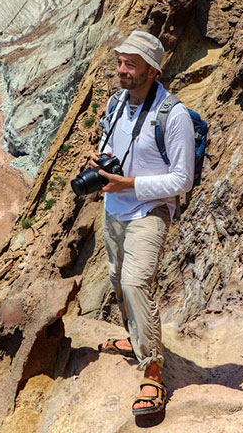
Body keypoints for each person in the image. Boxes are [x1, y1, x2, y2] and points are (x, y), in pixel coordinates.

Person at [89, 30, 195, 416]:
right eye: (120, 63)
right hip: (114, 207)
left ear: (152, 70)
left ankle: (152, 372)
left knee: (136, 283)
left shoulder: (174, 115)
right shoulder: (118, 103)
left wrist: (131, 183)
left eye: (130, 65)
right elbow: (110, 145)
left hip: (149, 211)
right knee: (118, 281)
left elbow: (183, 179)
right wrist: (99, 162)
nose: (122, 71)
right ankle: (136, 340)